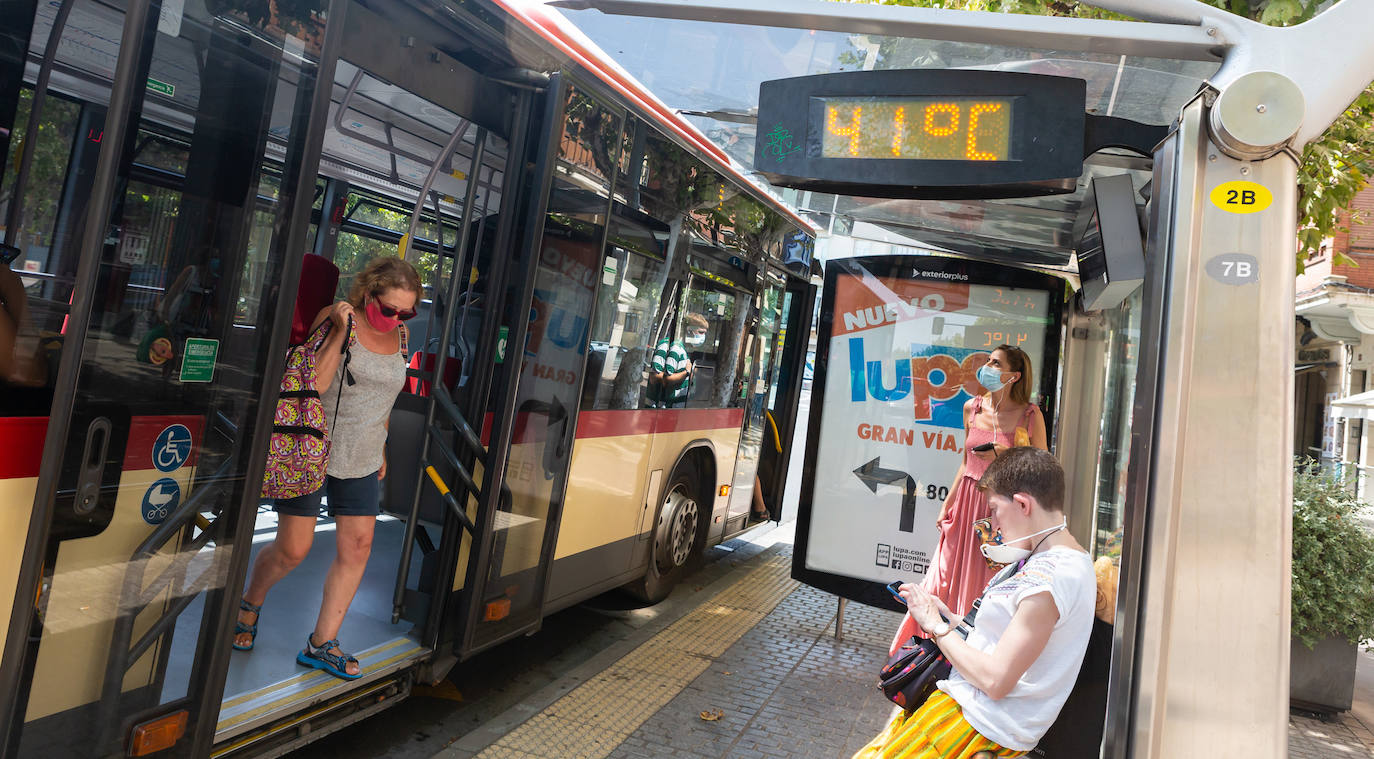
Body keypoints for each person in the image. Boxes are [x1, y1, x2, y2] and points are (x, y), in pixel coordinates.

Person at [232, 256, 421, 680]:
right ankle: (250, 601)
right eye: (387, 308)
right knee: (292, 551)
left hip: (364, 457)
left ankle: (321, 643)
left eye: (405, 312)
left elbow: (387, 397)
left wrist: (384, 446)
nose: (395, 318)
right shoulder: (335, 317)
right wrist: (339, 330)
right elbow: (312, 384)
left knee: (357, 549)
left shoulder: (403, 336)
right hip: (311, 450)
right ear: (367, 293)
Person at [854, 447, 1095, 759]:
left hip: (975, 728)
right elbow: (999, 642)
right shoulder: (1050, 559)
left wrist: (937, 627)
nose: (993, 523)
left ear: (1022, 504)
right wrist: (950, 619)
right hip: (969, 716)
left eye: (994, 509)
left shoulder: (1050, 577)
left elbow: (996, 680)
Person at [920, 345, 1047, 621]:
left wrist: (1005, 454)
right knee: (943, 577)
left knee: (987, 581)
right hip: (966, 501)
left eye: (996, 363)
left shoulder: (1030, 415)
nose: (987, 367)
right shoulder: (972, 407)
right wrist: (948, 503)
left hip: (1000, 509)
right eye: (988, 360)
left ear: (1014, 376)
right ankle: (934, 642)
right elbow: (965, 463)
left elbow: (1043, 469)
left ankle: (973, 646)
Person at [647, 312, 706, 408]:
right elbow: (655, 378)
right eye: (701, 332)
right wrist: (686, 372)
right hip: (663, 411)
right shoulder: (668, 347)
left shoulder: (684, 350)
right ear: (689, 331)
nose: (703, 337)